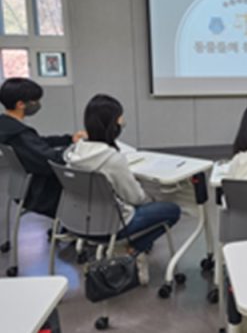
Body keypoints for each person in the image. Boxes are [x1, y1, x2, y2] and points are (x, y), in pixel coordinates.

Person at [64, 94, 181, 284]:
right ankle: (132, 250)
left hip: (79, 223)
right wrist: (150, 200)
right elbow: (135, 198)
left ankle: (124, 250)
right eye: (120, 123)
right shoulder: (112, 159)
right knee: (172, 211)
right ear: (112, 126)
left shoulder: (74, 153)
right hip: (111, 226)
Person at [0, 78, 86, 218]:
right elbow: (52, 160)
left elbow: (38, 143)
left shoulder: (7, 126)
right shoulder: (21, 135)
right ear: (20, 104)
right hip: (40, 192)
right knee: (90, 188)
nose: (38, 104)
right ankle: (75, 226)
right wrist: (80, 148)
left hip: (24, 186)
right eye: (35, 101)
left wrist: (69, 139)